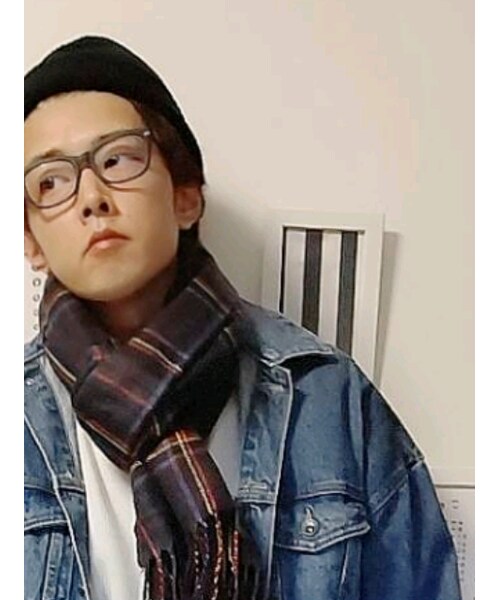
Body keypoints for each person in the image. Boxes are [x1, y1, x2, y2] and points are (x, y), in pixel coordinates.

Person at [24, 36, 462, 600]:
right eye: (50, 182)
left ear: (185, 196)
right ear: (31, 241)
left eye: (118, 159)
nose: (91, 197)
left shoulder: (324, 397)